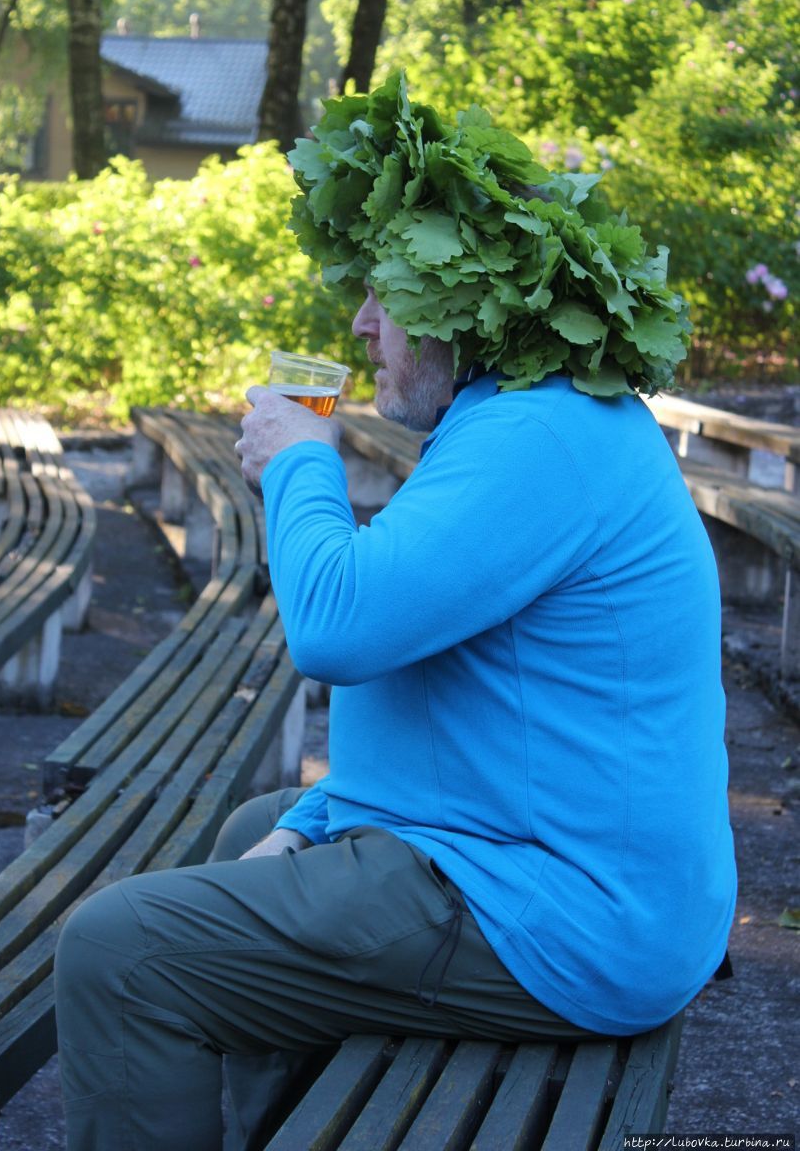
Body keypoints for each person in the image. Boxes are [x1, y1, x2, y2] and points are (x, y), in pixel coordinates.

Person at [54, 80, 737, 1150]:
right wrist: (311, 820)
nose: (362, 324)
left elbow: (337, 628)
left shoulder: (538, 440)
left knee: (118, 950)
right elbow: (428, 697)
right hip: (559, 869)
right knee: (256, 826)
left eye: (383, 295)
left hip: (571, 919)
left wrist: (299, 465)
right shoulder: (531, 420)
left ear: (466, 307)